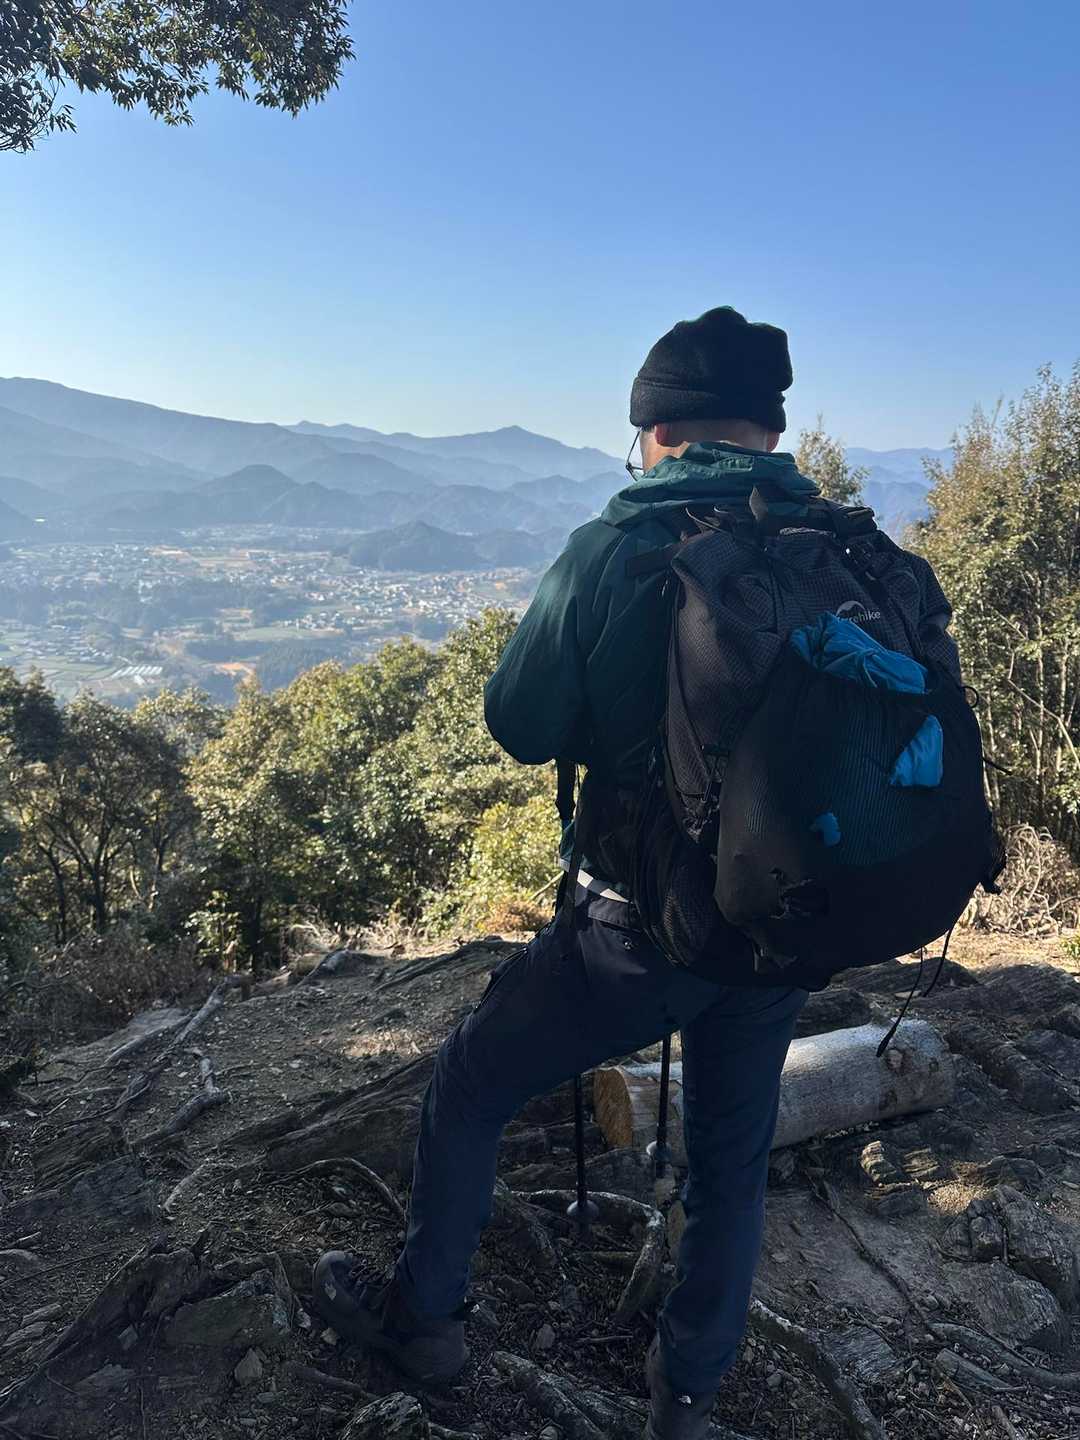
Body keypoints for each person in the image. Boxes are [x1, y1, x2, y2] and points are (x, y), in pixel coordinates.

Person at [314, 307, 813, 1440]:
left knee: (471, 1084)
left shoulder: (619, 546)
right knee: (730, 1159)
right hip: (786, 920)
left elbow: (519, 721)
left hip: (639, 930)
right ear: (773, 432)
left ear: (656, 432)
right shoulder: (830, 544)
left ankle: (422, 1323)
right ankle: (686, 1398)